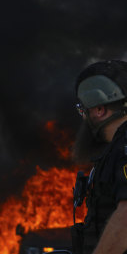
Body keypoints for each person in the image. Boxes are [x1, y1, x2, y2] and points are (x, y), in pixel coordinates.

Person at [71, 59, 127, 254]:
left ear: (99, 109)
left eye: (82, 109)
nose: (83, 117)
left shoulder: (125, 146)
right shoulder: (116, 148)